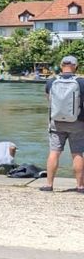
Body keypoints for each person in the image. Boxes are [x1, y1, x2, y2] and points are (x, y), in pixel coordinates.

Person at [41, 54, 84, 192]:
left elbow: (49, 100)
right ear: (75, 66)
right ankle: (80, 186)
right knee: (77, 153)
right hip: (77, 122)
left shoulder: (51, 81)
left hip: (56, 122)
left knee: (54, 152)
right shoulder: (81, 82)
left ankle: (49, 185)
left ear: (61, 66)